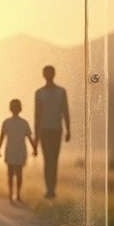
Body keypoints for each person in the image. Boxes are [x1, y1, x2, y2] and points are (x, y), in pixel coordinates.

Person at [34, 65, 71, 200]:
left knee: (54, 160)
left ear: (54, 74)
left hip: (57, 129)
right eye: (46, 73)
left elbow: (65, 110)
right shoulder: (39, 93)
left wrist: (68, 129)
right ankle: (48, 189)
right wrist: (36, 136)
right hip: (44, 129)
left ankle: (52, 189)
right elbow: (37, 115)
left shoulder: (61, 92)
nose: (48, 75)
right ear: (44, 75)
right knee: (47, 160)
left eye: (50, 72)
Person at [0, 99, 36, 203]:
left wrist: (34, 148)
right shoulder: (9, 122)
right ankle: (12, 195)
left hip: (19, 150)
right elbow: (2, 136)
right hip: (11, 150)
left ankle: (16, 195)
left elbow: (29, 136)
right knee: (13, 174)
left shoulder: (22, 123)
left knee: (17, 174)